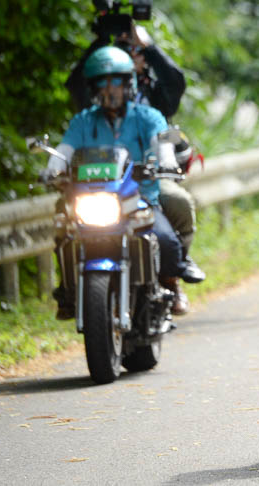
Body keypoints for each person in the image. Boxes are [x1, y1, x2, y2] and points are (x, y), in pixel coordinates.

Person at [41, 46, 196, 317]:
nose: (109, 88)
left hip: (139, 196)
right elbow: (64, 150)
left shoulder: (147, 116)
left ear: (129, 83)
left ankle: (170, 283)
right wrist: (53, 168)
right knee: (64, 228)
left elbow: (160, 141)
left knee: (165, 239)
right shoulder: (83, 120)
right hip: (91, 197)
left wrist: (166, 159)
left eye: (116, 80)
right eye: (102, 81)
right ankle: (66, 291)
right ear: (93, 86)